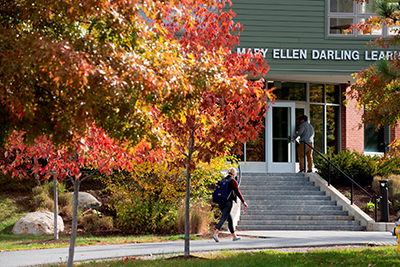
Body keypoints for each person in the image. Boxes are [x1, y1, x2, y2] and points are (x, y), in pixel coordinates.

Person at [213, 167, 248, 242]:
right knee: (223, 218)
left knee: (230, 219)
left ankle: (234, 236)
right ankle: (216, 234)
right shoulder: (233, 181)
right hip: (227, 203)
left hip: (221, 202)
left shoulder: (223, 180)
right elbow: (238, 192)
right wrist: (243, 201)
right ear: (234, 174)